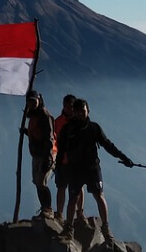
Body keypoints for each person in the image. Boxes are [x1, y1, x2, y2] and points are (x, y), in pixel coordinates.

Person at [56, 98, 135, 241]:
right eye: (78, 111)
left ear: (88, 111)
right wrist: (58, 167)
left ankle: (105, 228)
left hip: (92, 168)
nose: (81, 114)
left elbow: (107, 145)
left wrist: (124, 158)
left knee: (98, 196)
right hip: (75, 169)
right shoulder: (68, 129)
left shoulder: (94, 128)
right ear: (74, 112)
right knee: (73, 198)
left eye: (83, 111)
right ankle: (69, 229)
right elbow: (61, 150)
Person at [20, 90, 55, 219]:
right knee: (37, 182)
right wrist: (27, 132)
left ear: (39, 100)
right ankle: (44, 208)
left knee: (41, 182)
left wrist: (48, 157)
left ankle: (48, 209)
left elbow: (49, 137)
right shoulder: (33, 116)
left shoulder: (44, 116)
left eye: (33, 101)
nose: (31, 103)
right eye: (29, 101)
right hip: (37, 154)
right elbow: (38, 134)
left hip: (45, 154)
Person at [52, 94, 85, 222]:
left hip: (77, 161)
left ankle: (79, 212)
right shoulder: (58, 122)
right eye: (66, 106)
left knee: (78, 187)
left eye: (70, 106)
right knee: (61, 187)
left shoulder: (80, 123)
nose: (68, 109)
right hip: (62, 160)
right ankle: (59, 213)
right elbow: (53, 140)